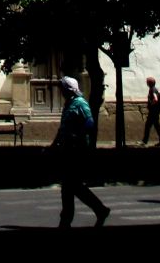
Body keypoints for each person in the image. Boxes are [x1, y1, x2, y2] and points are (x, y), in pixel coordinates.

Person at [51, 76, 111, 228]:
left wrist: (78, 136)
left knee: (71, 185)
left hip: (76, 151)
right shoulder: (69, 104)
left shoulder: (80, 103)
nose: (61, 91)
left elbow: (90, 123)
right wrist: (55, 143)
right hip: (67, 149)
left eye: (62, 88)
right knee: (71, 186)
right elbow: (63, 127)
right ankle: (95, 211)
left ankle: (69, 219)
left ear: (67, 89)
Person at [141, 75, 160, 146]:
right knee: (156, 126)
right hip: (155, 111)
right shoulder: (153, 89)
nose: (146, 83)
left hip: (153, 112)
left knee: (148, 126)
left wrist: (151, 103)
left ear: (149, 83)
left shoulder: (152, 89)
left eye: (147, 82)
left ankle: (145, 141)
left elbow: (155, 99)